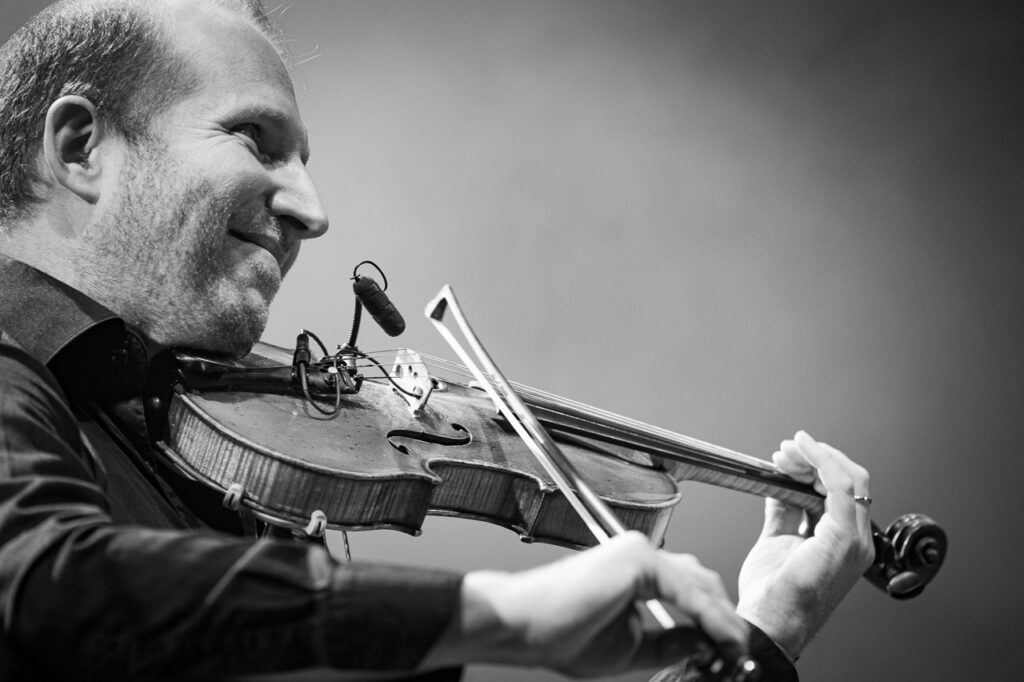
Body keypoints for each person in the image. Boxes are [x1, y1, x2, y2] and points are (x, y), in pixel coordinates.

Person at [0, 1, 875, 680]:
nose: (313, 209)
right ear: (82, 148)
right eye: (256, 139)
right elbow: (43, 589)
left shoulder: (239, 497)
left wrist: (765, 631)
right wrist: (502, 614)